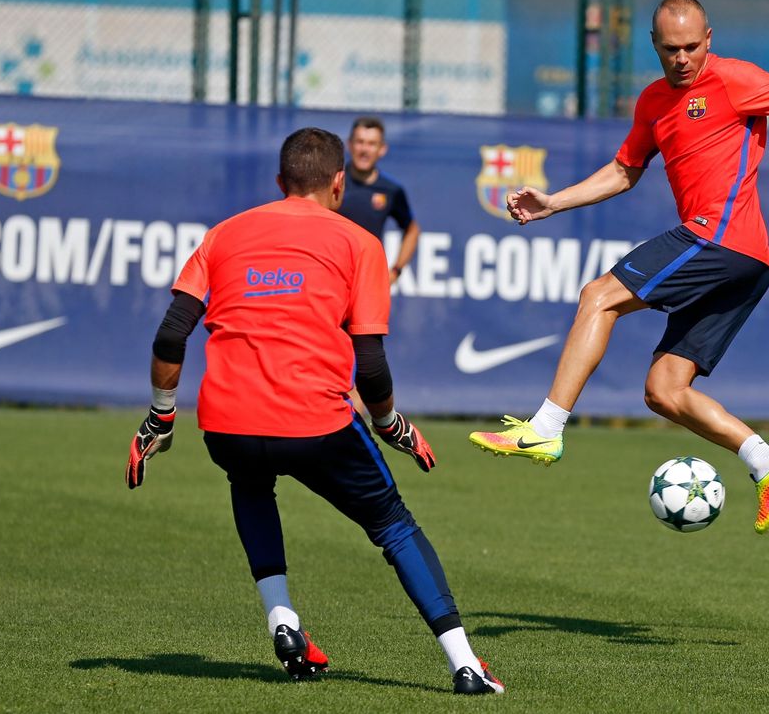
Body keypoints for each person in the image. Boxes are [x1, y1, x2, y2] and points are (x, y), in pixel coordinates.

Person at [469, 0, 769, 535]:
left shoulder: (733, 79)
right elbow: (625, 170)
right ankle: (767, 463)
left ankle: (546, 427)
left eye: (691, 47)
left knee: (597, 296)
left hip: (722, 240)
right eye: (670, 48)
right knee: (664, 391)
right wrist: (555, 202)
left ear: (709, 39)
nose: (682, 58)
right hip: (745, 262)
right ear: (653, 45)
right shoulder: (653, 101)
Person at [126, 127, 504, 695]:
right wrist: (390, 424)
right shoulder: (359, 243)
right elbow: (370, 362)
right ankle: (465, 666)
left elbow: (170, 333)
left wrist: (159, 416)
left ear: (280, 183)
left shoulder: (223, 235)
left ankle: (283, 622)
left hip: (225, 421)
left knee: (250, 484)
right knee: (393, 526)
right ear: (338, 183)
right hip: (315, 422)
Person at [340, 116, 421, 283]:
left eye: (372, 144)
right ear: (349, 145)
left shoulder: (391, 190)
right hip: (332, 276)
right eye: (360, 142)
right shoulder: (332, 182)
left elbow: (412, 231)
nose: (365, 149)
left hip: (367, 281)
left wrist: (396, 271)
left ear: (382, 149)